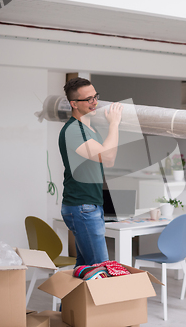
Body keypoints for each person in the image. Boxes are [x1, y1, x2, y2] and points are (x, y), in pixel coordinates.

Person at [59, 77, 123, 267]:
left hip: (90, 204)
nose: (94, 102)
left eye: (95, 97)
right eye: (88, 99)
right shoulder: (73, 131)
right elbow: (109, 158)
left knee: (86, 268)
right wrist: (114, 124)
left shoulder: (89, 129)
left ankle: (74, 298)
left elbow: (107, 163)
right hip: (82, 206)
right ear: (74, 104)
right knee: (101, 268)